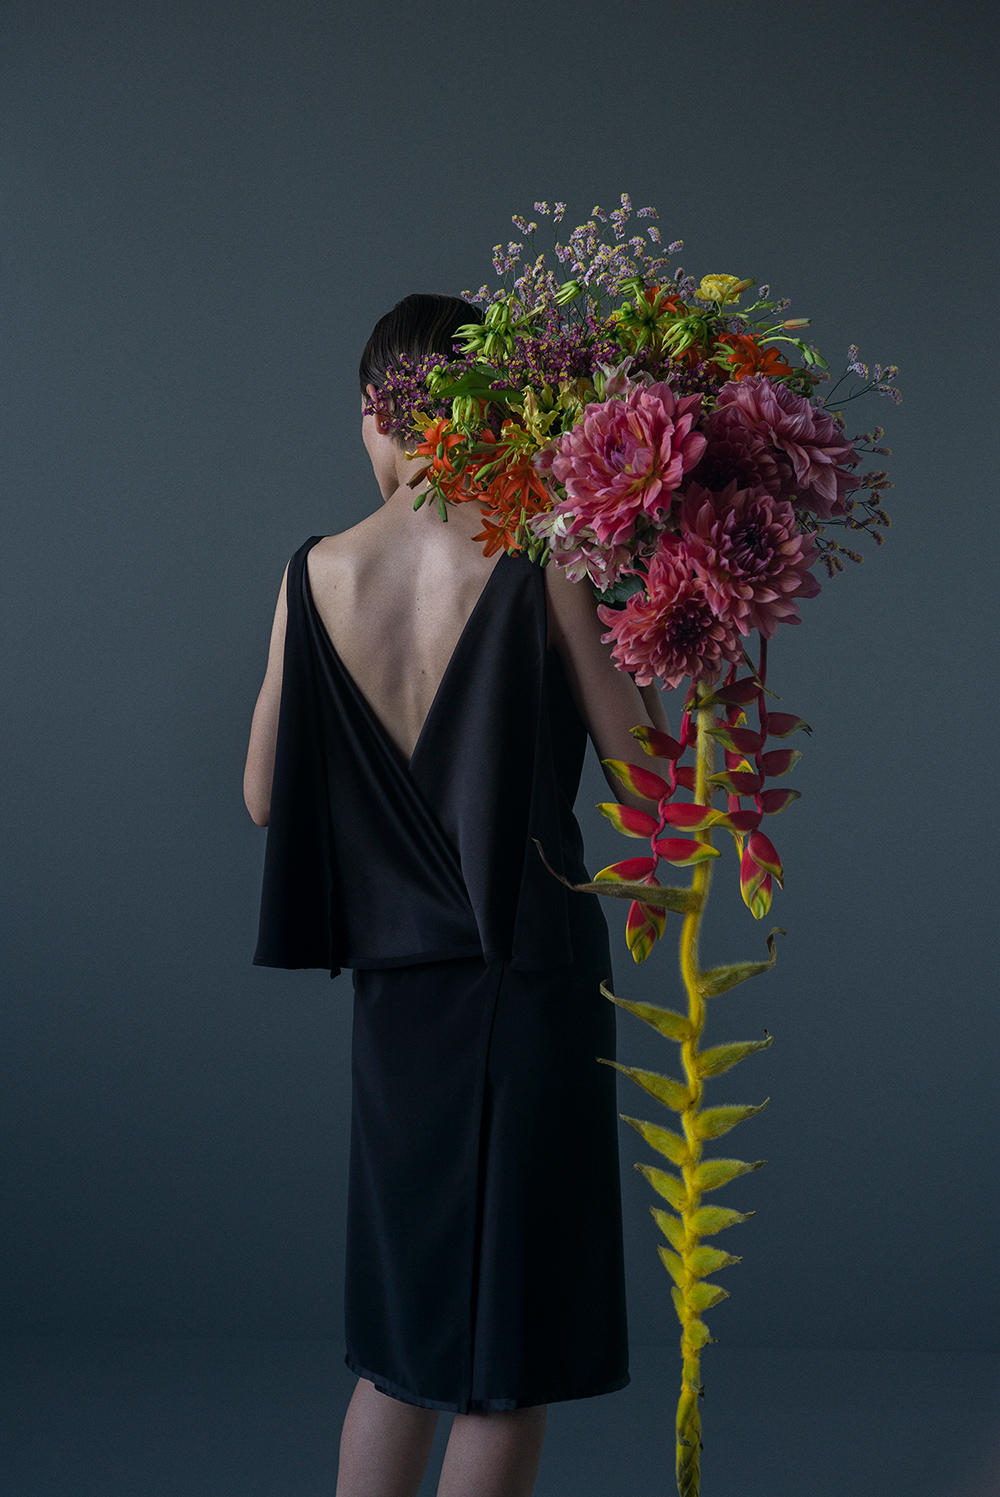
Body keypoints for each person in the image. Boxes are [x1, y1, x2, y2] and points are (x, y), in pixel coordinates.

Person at [243, 294, 670, 1497]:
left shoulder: (314, 572)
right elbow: (647, 784)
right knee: (507, 1358)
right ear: (497, 410)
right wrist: (660, 626)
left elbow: (265, 798)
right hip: (532, 978)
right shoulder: (545, 558)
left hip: (401, 996)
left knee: (402, 1339)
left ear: (377, 412)